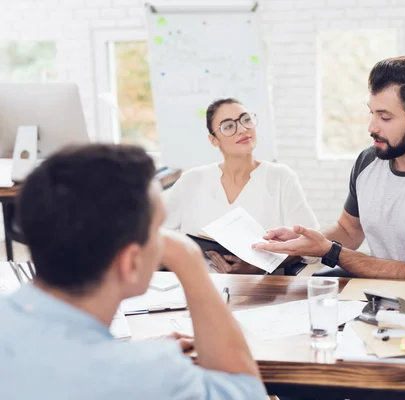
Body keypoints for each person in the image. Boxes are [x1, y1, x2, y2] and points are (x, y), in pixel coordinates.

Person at [0, 144, 267, 400]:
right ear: (131, 263)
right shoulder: (151, 375)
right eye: (158, 229)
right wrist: (190, 261)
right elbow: (246, 393)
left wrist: (123, 355)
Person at [254, 56, 405, 281]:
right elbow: (348, 230)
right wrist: (305, 241)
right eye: (372, 113)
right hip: (375, 292)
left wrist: (330, 251)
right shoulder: (369, 160)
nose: (371, 127)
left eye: (385, 117)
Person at [164, 98, 319, 274]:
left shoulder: (281, 177)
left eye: (246, 120)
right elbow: (160, 238)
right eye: (228, 126)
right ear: (214, 140)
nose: (243, 129)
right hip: (200, 287)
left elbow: (313, 248)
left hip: (265, 292)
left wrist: (259, 265)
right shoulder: (191, 180)